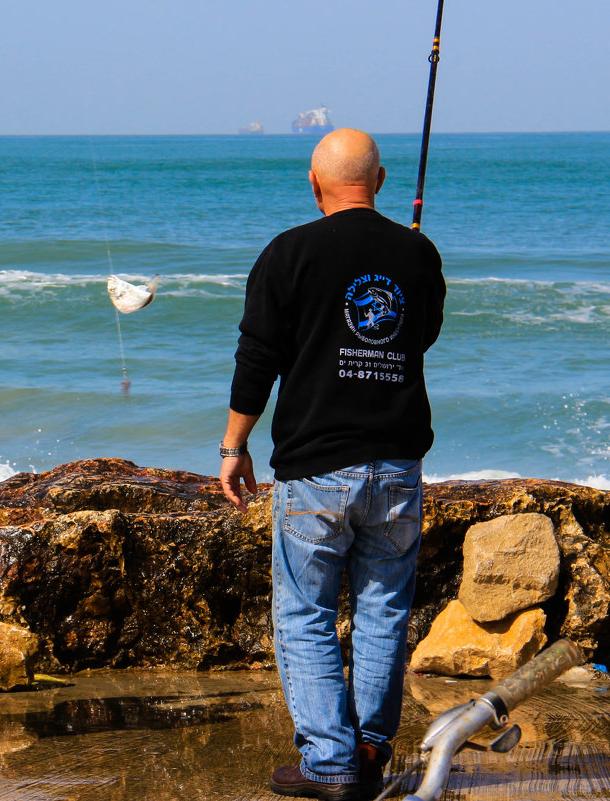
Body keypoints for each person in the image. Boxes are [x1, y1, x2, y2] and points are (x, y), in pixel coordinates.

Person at [219, 129, 445, 801]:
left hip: (317, 468)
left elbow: (258, 357)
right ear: (378, 182)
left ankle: (330, 760)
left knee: (305, 614)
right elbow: (424, 332)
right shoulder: (418, 252)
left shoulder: (289, 252)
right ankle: (371, 748)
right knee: (383, 608)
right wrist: (404, 255)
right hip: (398, 465)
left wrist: (234, 447)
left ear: (313, 184)